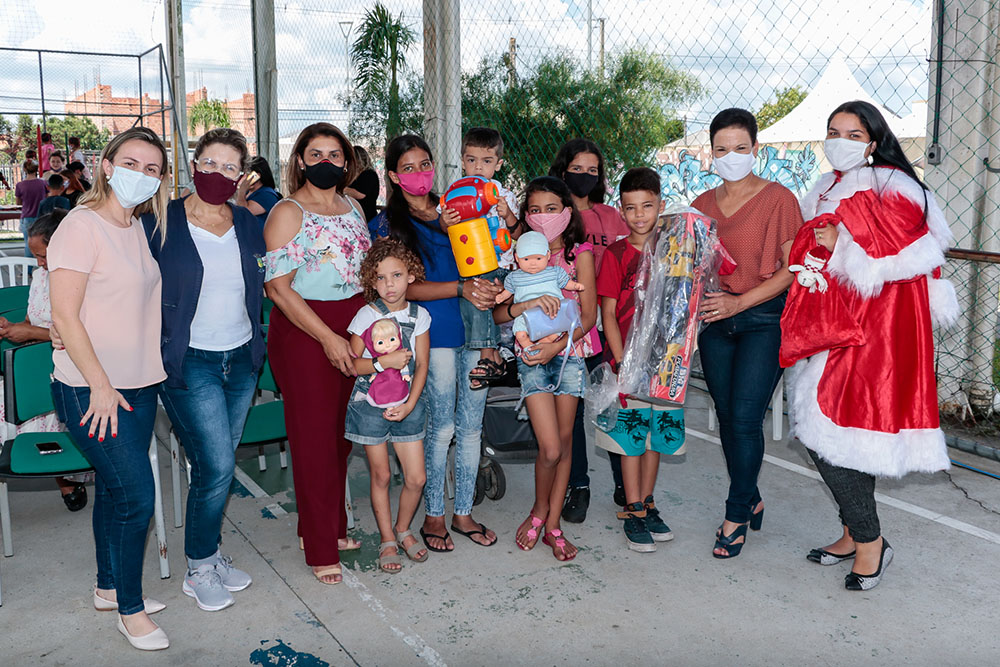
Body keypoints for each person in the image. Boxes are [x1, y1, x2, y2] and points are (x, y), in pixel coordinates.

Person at [781, 100, 956, 590]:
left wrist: (839, 239)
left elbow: (884, 258)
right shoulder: (827, 185)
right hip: (831, 319)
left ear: (874, 141)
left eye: (853, 134)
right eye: (833, 131)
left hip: (877, 326)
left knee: (837, 426)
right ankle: (852, 531)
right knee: (829, 430)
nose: (840, 140)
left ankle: (871, 543)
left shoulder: (895, 188)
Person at [48, 126, 171, 650]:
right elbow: (64, 316)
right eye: (131, 163)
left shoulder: (138, 228)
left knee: (115, 491)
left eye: (152, 169)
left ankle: (107, 586)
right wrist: (98, 383)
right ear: (105, 164)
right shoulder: (80, 225)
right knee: (137, 497)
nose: (140, 176)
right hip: (92, 388)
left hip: (140, 385)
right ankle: (130, 608)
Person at [142, 128, 264, 611]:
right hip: (190, 360)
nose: (218, 173)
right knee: (216, 465)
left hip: (241, 358)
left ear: (242, 176)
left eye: (229, 166)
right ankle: (198, 567)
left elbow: (269, 276)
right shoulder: (161, 222)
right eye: (209, 163)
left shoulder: (249, 222)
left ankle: (209, 554)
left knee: (218, 464)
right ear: (194, 166)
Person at [370, 134, 499, 552]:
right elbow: (401, 290)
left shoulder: (457, 206)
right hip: (435, 336)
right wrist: (461, 289)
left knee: (472, 426)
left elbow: (491, 256)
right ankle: (434, 515)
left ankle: (463, 512)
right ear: (392, 175)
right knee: (441, 427)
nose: (418, 173)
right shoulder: (389, 225)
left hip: (476, 330)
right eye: (407, 167)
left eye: (424, 163)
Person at [691, 108, 803, 558]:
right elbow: (691, 267)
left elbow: (794, 268)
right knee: (727, 414)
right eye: (721, 149)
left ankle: (736, 513)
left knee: (743, 418)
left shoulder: (780, 199)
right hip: (715, 322)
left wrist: (741, 301)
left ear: (755, 148)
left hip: (763, 318)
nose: (731, 155)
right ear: (711, 152)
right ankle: (751, 494)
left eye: (740, 147)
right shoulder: (700, 205)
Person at [264, 122, 369, 585]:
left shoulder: (353, 207)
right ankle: (321, 549)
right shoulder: (288, 212)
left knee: (341, 436)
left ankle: (324, 529)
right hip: (306, 329)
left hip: (355, 324)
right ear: (300, 161)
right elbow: (278, 288)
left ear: (346, 161)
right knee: (313, 441)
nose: (325, 163)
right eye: (315, 155)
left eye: (334, 155)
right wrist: (328, 337)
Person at [495, 175, 599, 561]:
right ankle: (539, 509)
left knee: (566, 443)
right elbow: (499, 313)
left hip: (569, 356)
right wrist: (524, 307)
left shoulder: (578, 256)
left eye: (551, 209)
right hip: (532, 361)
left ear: (566, 213)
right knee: (550, 446)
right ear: (525, 214)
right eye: (534, 210)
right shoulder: (519, 257)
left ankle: (552, 524)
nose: (542, 217)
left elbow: (587, 316)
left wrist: (557, 344)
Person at [594, 167, 686, 552]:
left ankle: (647, 503)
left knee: (656, 438)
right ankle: (632, 508)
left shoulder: (674, 251)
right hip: (627, 364)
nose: (640, 215)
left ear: (660, 206)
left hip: (665, 364)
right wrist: (621, 363)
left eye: (647, 206)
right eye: (631, 208)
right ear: (621, 210)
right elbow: (609, 313)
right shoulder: (615, 254)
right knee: (630, 437)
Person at [549, 138, 629, 522]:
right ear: (563, 169)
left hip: (605, 323)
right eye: (577, 169)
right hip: (568, 329)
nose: (584, 176)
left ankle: (623, 483)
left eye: (593, 170)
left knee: (612, 403)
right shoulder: (553, 216)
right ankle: (577, 485)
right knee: (573, 410)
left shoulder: (612, 217)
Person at [345, 238, 430, 573]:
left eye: (396, 275)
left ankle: (403, 527)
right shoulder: (365, 315)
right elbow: (353, 364)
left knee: (416, 478)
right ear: (371, 280)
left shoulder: (419, 316)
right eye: (380, 278)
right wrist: (384, 363)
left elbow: (421, 365)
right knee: (380, 475)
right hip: (370, 407)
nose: (388, 284)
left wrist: (410, 405)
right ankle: (387, 539)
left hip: (408, 404)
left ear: (410, 276)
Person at [0, 209, 93, 511]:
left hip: (71, 365)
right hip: (37, 363)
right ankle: (57, 471)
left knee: (48, 411)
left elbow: (80, 334)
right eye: (36, 256)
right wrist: (14, 330)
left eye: (43, 256)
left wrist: (30, 331)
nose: (39, 263)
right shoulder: (40, 277)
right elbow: (31, 318)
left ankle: (67, 478)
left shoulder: (83, 279)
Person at [439, 127, 520, 390]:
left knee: (482, 292)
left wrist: (507, 215)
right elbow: (443, 225)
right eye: (471, 160)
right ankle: (495, 356)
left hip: (499, 266)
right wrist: (445, 221)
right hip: (469, 265)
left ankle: (487, 354)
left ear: (498, 164)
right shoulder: (454, 191)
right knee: (470, 302)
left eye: (486, 161)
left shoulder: (504, 195)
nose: (478, 167)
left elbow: (518, 231)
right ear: (462, 161)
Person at [14, 159, 48, 258]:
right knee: (43, 242)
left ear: (24, 169)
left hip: (27, 215)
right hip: (41, 216)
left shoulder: (20, 185)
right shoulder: (43, 183)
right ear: (36, 169)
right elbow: (47, 197)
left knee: (29, 244)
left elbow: (18, 202)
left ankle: (28, 270)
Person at [236, 156, 281, 227]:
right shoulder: (248, 192)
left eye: (247, 173)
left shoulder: (267, 195)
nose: (243, 177)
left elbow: (243, 212)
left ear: (256, 176)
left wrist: (242, 191)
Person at [345, 145, 380, 222]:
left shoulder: (369, 174)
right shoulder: (352, 175)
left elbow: (360, 194)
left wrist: (342, 189)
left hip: (366, 218)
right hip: (353, 217)